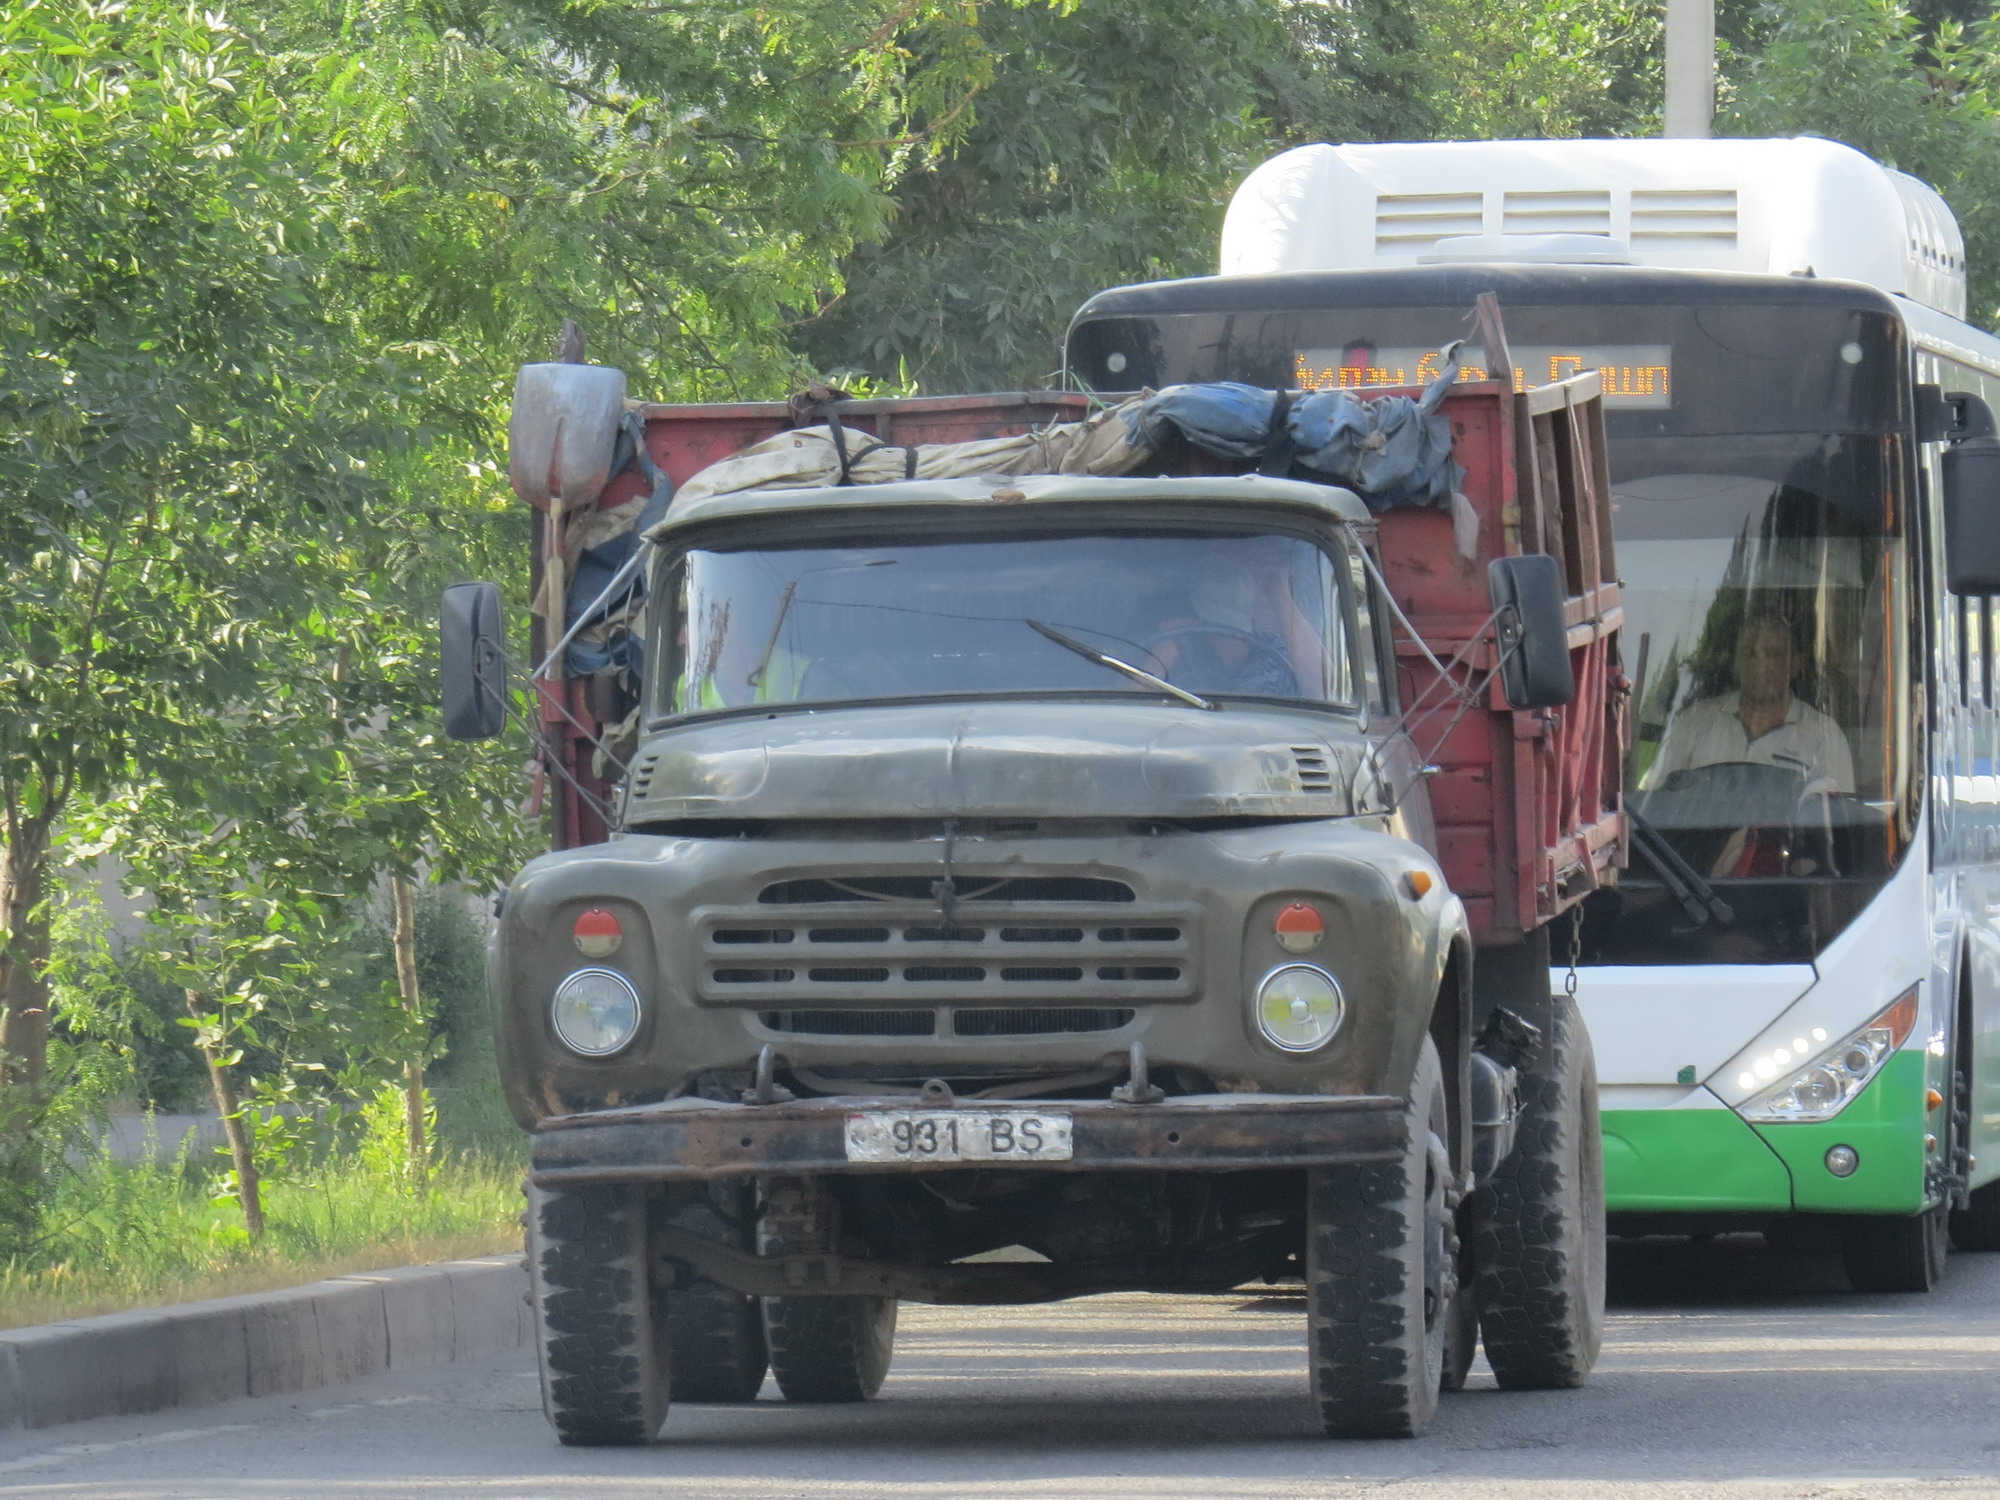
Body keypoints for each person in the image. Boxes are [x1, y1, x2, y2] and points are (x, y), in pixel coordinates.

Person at [1647, 609, 1856, 797]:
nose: (1760, 665)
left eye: (1773, 654)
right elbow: (1656, 802)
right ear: (1736, 663)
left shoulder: (1824, 736)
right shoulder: (1695, 722)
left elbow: (1837, 822)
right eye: (1749, 653)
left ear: (1796, 664)